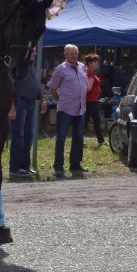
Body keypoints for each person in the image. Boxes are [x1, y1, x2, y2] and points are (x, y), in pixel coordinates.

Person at [48, 44, 89, 176]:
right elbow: (52, 88)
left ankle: (75, 164)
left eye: (76, 54)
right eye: (72, 54)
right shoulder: (60, 69)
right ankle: (59, 166)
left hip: (80, 108)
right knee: (61, 138)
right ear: (66, 55)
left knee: (78, 137)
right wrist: (61, 99)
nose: (74, 56)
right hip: (65, 108)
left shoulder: (83, 67)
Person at [9, 47, 47, 176]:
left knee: (29, 135)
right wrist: (11, 107)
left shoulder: (31, 66)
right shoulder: (16, 65)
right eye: (32, 51)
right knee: (18, 136)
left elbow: (37, 84)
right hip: (20, 102)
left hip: (31, 103)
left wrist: (42, 99)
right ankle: (14, 167)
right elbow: (9, 87)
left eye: (35, 51)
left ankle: (25, 166)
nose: (35, 53)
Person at [84, 53, 105, 146]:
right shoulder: (90, 73)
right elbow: (88, 87)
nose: (96, 63)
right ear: (89, 63)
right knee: (96, 120)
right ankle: (101, 140)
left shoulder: (90, 72)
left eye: (97, 61)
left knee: (84, 121)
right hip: (91, 101)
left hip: (92, 100)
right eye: (94, 62)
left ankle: (79, 139)